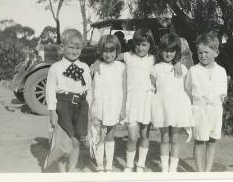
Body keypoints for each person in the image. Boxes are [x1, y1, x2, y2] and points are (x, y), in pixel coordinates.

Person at [91, 28, 157, 172]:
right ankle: (129, 164)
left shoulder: (153, 59)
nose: (140, 48)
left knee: (145, 135)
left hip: (146, 101)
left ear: (150, 45)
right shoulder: (127, 56)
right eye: (138, 44)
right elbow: (108, 54)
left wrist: (177, 63)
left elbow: (169, 61)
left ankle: (140, 164)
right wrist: (97, 62)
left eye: (144, 45)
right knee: (132, 137)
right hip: (132, 102)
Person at [44, 28, 92, 172]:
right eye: (71, 47)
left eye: (78, 48)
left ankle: (71, 172)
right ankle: (61, 171)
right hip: (63, 106)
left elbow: (89, 89)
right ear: (62, 47)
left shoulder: (84, 67)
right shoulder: (55, 68)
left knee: (76, 142)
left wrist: (89, 109)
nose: (74, 51)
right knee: (64, 142)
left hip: (81, 107)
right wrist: (52, 111)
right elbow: (50, 90)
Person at [150, 33, 195, 172]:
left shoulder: (182, 68)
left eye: (172, 51)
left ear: (176, 52)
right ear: (160, 50)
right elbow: (152, 88)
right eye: (165, 50)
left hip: (177, 108)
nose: (168, 54)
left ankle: (172, 169)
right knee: (164, 137)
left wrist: (179, 63)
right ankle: (164, 169)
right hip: (162, 106)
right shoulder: (155, 68)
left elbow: (187, 89)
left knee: (175, 138)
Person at [185, 31, 228, 172]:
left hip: (214, 111)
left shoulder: (221, 71)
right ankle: (200, 173)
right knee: (199, 141)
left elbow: (222, 93)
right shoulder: (193, 70)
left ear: (216, 52)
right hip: (199, 111)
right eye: (200, 53)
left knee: (212, 141)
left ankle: (207, 172)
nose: (203, 56)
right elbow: (188, 91)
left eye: (207, 52)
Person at [90, 35, 127, 172]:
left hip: (113, 106)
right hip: (99, 105)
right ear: (101, 51)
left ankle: (109, 166)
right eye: (105, 51)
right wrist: (90, 108)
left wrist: (123, 108)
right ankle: (100, 165)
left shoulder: (121, 67)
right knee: (99, 134)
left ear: (117, 51)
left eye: (111, 51)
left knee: (110, 136)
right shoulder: (96, 67)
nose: (108, 54)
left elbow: (124, 88)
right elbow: (92, 88)